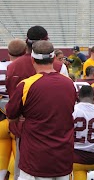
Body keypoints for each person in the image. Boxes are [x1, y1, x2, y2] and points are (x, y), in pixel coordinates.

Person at [6, 40, 76, 179]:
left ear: (32, 59)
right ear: (53, 58)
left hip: (35, 158)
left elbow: (11, 115)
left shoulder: (26, 85)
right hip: (63, 156)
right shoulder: (69, 83)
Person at [0, 39, 26, 180]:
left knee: (1, 163)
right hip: (19, 122)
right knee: (18, 166)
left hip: (0, 122)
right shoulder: (28, 67)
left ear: (8, 52)